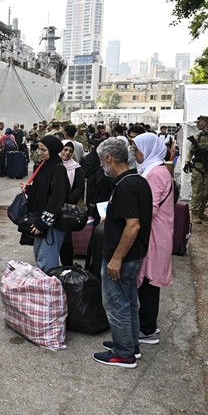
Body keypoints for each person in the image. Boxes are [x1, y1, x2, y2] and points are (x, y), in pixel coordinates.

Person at [92, 138, 153, 369]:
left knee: (116, 304)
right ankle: (130, 344)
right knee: (128, 302)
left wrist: (116, 258)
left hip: (123, 257)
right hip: (133, 255)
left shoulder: (126, 185)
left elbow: (133, 225)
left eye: (101, 160)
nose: (100, 166)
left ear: (109, 158)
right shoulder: (137, 181)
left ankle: (123, 353)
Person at [130, 133, 175, 346]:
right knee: (148, 279)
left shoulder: (155, 174)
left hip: (155, 234)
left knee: (148, 280)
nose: (134, 153)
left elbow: (149, 207)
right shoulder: (155, 169)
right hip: (157, 232)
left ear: (147, 149)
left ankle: (147, 330)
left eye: (136, 149)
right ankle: (148, 323)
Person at [19, 135, 70, 271]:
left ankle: (49, 289)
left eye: (43, 150)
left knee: (47, 263)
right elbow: (42, 190)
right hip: (40, 219)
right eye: (39, 149)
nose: (39, 152)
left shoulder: (58, 168)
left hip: (51, 224)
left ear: (52, 151)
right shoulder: (44, 166)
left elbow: (56, 199)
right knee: (40, 257)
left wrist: (43, 223)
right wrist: (29, 189)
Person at [58, 140, 85, 265]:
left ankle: (67, 266)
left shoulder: (77, 168)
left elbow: (80, 187)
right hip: (53, 206)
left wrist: (69, 199)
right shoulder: (54, 165)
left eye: (70, 151)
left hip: (67, 208)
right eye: (65, 149)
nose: (67, 153)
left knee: (66, 240)